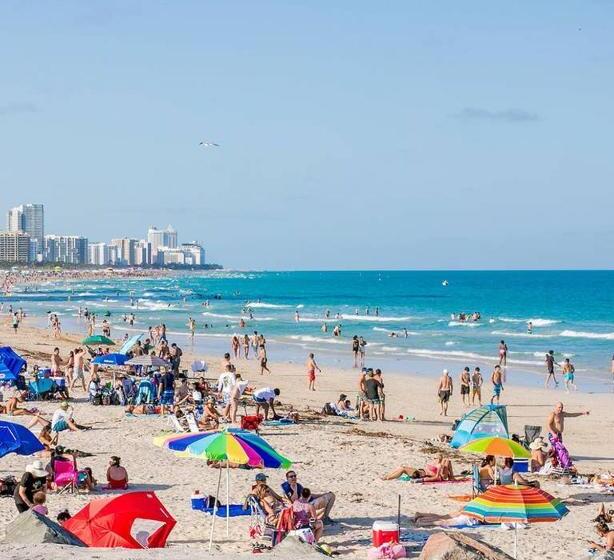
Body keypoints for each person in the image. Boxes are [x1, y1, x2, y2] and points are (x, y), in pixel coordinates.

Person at [382, 455, 456, 483]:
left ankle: (388, 478)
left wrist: (450, 475)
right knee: (401, 467)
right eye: (436, 457)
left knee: (402, 469)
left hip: (419, 474)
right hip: (419, 471)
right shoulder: (435, 463)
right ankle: (387, 476)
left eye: (438, 457)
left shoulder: (440, 466)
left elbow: (439, 476)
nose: (436, 458)